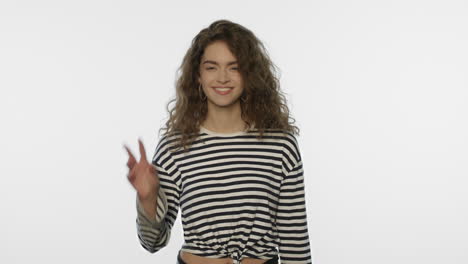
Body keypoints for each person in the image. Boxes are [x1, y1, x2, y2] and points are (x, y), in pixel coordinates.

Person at [123, 19, 312, 264]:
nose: (222, 78)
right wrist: (148, 198)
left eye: (234, 67)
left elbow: (295, 242)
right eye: (211, 67)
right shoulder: (176, 146)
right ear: (198, 76)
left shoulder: (280, 145)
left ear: (250, 75)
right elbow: (152, 243)